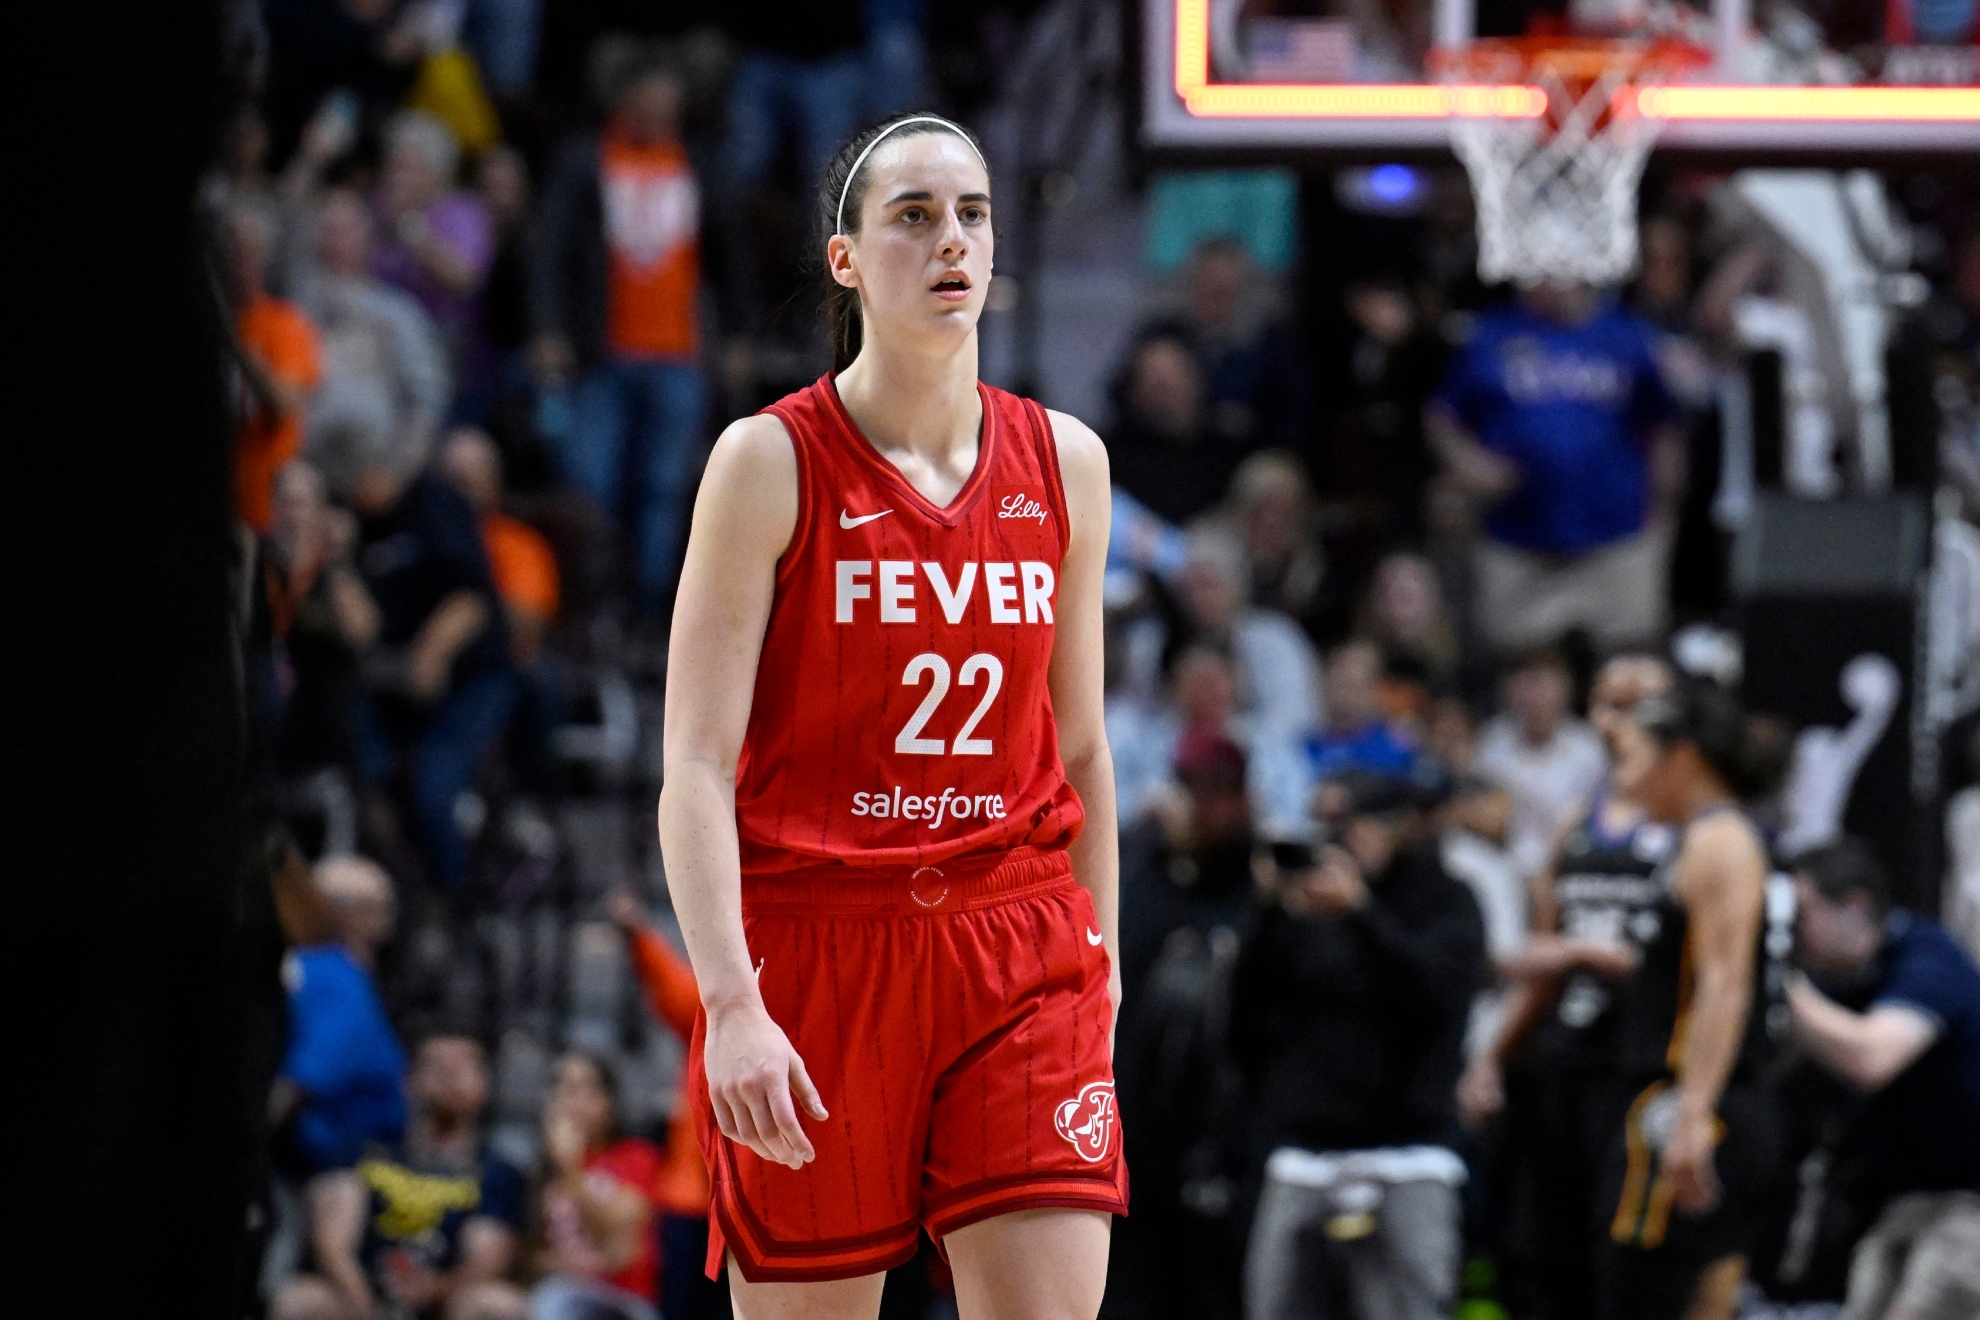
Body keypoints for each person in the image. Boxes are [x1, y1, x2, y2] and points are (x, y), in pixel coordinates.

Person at [657, 113, 1124, 1315]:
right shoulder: (766, 462)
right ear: (847, 260)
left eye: (970, 213)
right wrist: (731, 1005)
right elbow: (698, 764)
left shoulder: (1066, 460)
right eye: (913, 216)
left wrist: (1102, 957)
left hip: (1014, 942)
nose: (950, 239)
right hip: (818, 949)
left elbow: (1078, 746)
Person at [1457, 653, 1677, 1320]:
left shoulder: (1694, 823)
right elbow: (1545, 966)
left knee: (1628, 1268)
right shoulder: (1575, 824)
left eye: (1641, 703)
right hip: (1561, 1068)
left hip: (1644, 1071)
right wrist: (1493, 1058)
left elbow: (1709, 966)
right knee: (1538, 1266)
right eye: (1611, 704)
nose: (1623, 720)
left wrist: (1584, 952)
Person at [1234, 770, 1486, 1320]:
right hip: (1304, 1156)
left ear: (1397, 826)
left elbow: (1436, 1002)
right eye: (1325, 824)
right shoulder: (1302, 911)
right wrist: (1267, 911)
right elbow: (1242, 1022)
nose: (1338, 839)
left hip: (1408, 1159)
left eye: (1352, 824)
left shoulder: (1446, 899)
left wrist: (1361, 913)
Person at [1589, 677, 1793, 1320]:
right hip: (1708, 1100)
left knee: (1640, 1298)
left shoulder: (1718, 841)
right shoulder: (1711, 837)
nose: (1621, 779)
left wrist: (1691, 1116)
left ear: (1681, 757)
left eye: (1631, 758)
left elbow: (1723, 986)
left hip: (1689, 1104)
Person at [312, 407, 512, 893]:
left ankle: (457, 905)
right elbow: (362, 630)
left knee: (432, 792)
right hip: (388, 682)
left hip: (468, 678)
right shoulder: (353, 526)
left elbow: (470, 597)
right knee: (366, 784)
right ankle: (398, 901)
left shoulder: (434, 504)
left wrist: (431, 654)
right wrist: (335, 563)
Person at [532, 63, 707, 619]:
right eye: (650, 105)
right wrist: (549, 329)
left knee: (662, 490)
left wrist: (737, 332)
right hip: (600, 354)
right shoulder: (587, 160)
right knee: (591, 486)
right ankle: (589, 609)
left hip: (678, 353)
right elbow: (551, 248)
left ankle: (652, 611)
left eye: (669, 108)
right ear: (625, 103)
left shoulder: (694, 160)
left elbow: (728, 249)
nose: (660, 118)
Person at [1428, 280, 1684, 653]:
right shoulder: (1493, 334)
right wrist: (1471, 465)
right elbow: (1442, 417)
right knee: (1518, 668)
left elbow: (1664, 428)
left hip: (1615, 541)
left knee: (1629, 673)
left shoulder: (1625, 335)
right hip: (1518, 543)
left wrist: (1664, 512)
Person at [1785, 839, 1980, 1320]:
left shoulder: (1929, 959)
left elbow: (1871, 1058)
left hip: (1967, 1203)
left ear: (1855, 909)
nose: (1794, 933)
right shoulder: (1839, 980)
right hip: (1900, 1198)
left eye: (1803, 914)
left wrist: (1776, 982)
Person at [272, 1032, 528, 1320]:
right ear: (409, 1080)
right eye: (436, 1065)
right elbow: (331, 1245)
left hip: (444, 1302)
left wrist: (433, 1290)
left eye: (462, 1065)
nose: (449, 1075)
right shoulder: (362, 1153)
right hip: (360, 1296)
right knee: (301, 1301)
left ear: (485, 1083)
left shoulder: (497, 1172)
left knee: (497, 1305)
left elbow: (485, 1262)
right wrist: (363, 1303)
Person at [607, 893, 727, 1320]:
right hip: (694, 1202)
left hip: (742, 1203)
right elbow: (674, 985)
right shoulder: (715, 1010)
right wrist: (639, 934)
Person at [300, 189, 452, 479]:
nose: (335, 241)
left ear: (369, 238)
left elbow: (427, 401)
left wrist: (399, 471)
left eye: (345, 231)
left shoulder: (398, 312)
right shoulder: (293, 312)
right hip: (307, 471)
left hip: (378, 470)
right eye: (327, 231)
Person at [273, 856, 408, 1178]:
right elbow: (301, 1083)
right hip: (324, 1169)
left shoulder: (336, 974)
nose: (388, 922)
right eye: (378, 907)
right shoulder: (336, 979)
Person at [531, 1053, 666, 1320]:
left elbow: (621, 1249)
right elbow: (530, 1255)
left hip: (625, 1301)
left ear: (609, 1099)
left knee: (555, 1304)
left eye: (583, 1088)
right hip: (562, 1291)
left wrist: (571, 1169)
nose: (569, 1100)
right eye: (560, 1088)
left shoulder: (637, 1157)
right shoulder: (544, 1167)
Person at [371, 110, 493, 387]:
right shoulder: (378, 205)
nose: (394, 177)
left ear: (437, 173)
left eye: (406, 168)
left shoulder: (463, 213)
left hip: (438, 337)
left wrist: (410, 232)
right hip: (376, 330)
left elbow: (464, 279)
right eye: (391, 166)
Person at [228, 199, 324, 533]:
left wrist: (240, 348)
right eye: (230, 249)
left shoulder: (285, 324)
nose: (238, 260)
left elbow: (284, 404)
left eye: (248, 250)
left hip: (264, 515)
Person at [1473, 647, 1609, 881]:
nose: (1532, 695)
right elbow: (1483, 815)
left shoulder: (1590, 748)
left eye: (1540, 683)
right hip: (1506, 867)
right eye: (1521, 683)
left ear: (1566, 687)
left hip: (1572, 863)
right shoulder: (1490, 745)